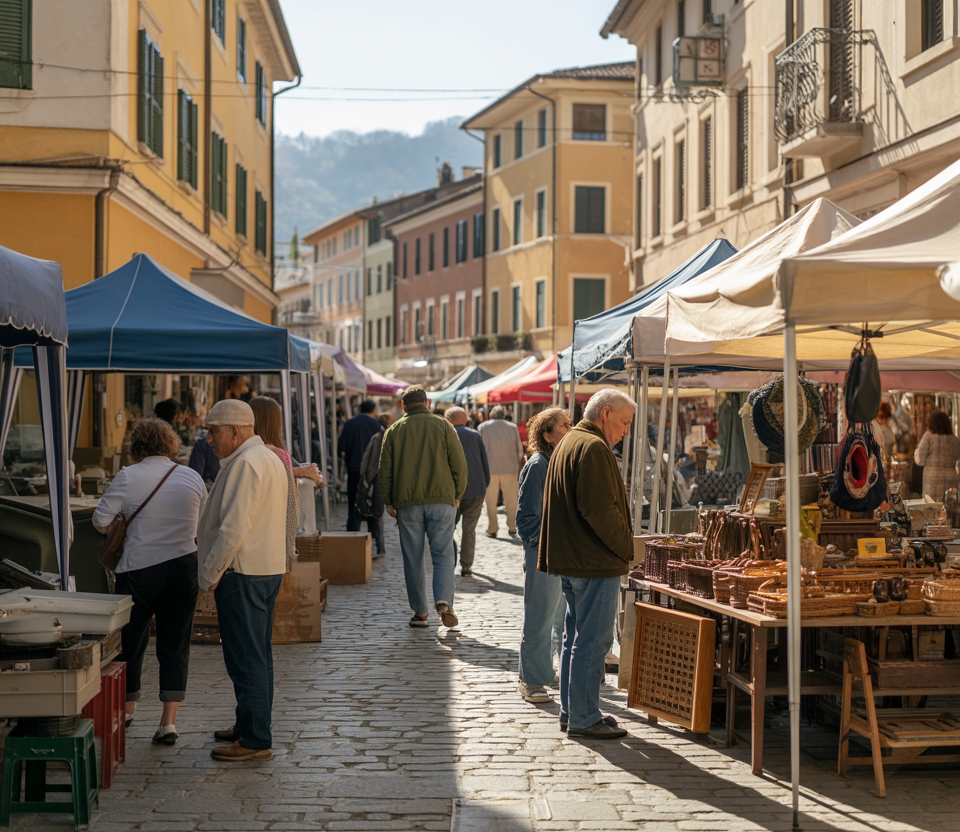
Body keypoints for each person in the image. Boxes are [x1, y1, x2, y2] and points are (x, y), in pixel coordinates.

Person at [92, 418, 206, 746]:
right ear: (170, 444)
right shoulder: (192, 477)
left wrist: (124, 517)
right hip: (184, 568)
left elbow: (101, 523)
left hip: (138, 570)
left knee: (131, 640)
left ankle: (127, 710)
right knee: (175, 643)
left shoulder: (128, 476)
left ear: (136, 446)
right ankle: (168, 723)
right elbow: (202, 522)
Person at [540, 389, 635, 739]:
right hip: (592, 560)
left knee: (574, 638)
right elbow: (598, 510)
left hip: (575, 558)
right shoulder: (592, 447)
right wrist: (626, 547)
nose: (626, 431)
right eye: (624, 423)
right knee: (591, 642)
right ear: (605, 413)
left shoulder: (572, 441)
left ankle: (574, 711)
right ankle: (582, 716)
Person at [197, 399, 287, 761]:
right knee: (257, 655)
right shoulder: (264, 458)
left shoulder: (247, 463)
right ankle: (250, 723)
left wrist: (209, 573)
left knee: (246, 658)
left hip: (243, 571)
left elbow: (234, 529)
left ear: (235, 431)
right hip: (262, 569)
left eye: (214, 431)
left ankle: (254, 739)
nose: (208, 439)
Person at [380, 385, 468, 628]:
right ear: (427, 403)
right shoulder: (444, 426)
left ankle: (420, 613)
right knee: (443, 554)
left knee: (413, 557)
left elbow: (384, 472)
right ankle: (443, 600)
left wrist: (389, 501)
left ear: (403, 405)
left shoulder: (394, 430)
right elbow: (459, 465)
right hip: (442, 500)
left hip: (408, 503)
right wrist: (457, 493)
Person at [516, 407, 570, 703]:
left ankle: (552, 673)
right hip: (544, 554)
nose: (569, 428)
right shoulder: (538, 465)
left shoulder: (559, 461)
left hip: (563, 552)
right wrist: (542, 544)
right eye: (563, 425)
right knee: (539, 617)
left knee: (560, 618)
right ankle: (531, 680)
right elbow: (525, 518)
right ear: (547, 435)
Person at [248, 397, 299, 561]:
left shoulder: (242, 453)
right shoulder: (280, 455)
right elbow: (291, 506)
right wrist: (289, 549)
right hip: (271, 540)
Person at [444, 406, 490, 577]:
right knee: (469, 530)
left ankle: (449, 563)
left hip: (452, 491)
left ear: (448, 419)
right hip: (476, 489)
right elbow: (484, 463)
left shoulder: (445, 434)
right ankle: (466, 567)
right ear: (464, 419)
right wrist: (484, 485)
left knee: (448, 529)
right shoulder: (475, 435)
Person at [339, 400, 385, 553]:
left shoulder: (350, 424)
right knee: (375, 506)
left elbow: (341, 449)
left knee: (353, 506)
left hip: (354, 470)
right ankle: (378, 546)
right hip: (374, 472)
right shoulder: (376, 425)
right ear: (374, 409)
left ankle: (353, 544)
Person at [477, 405, 524, 538]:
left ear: (491, 415)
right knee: (511, 500)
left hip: (489, 468)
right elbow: (519, 450)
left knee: (490, 500)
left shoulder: (483, 427)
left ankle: (492, 528)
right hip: (510, 467)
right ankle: (512, 528)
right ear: (504, 415)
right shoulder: (512, 427)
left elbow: (480, 449)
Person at [914, 411, 960, 501]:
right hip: (951, 479)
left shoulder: (928, 437)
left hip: (932, 480)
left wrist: (917, 450)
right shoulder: (956, 440)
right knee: (949, 508)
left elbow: (920, 460)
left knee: (931, 508)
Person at [872, 401, 896, 469]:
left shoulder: (884, 427)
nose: (883, 421)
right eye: (881, 418)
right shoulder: (872, 426)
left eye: (885, 419)